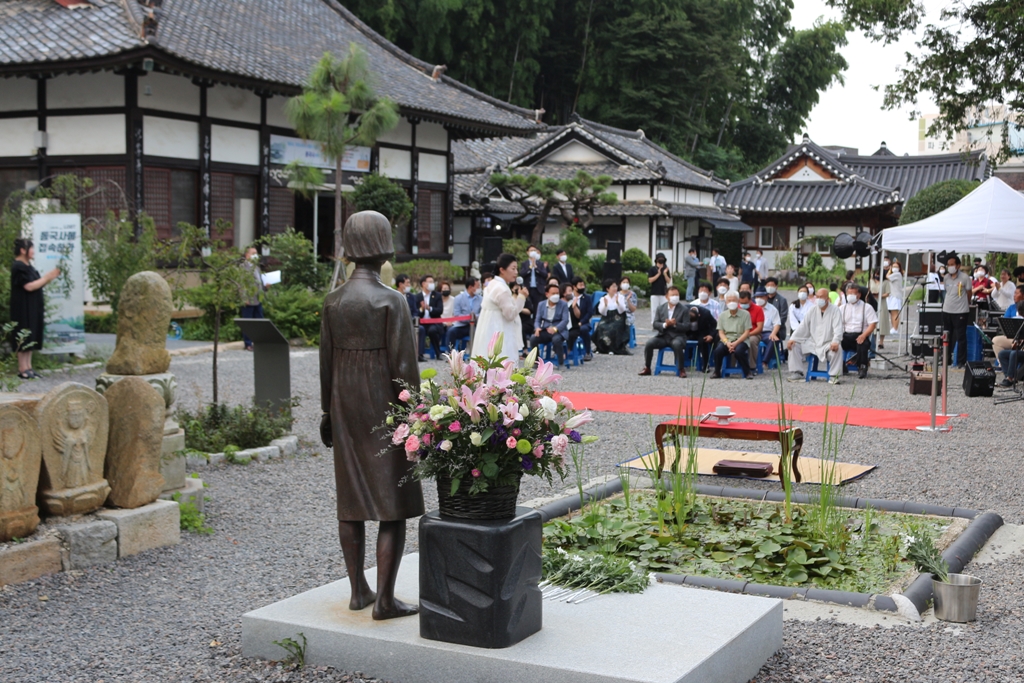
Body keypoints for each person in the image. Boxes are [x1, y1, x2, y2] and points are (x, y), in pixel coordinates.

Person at [319, 210, 423, 621]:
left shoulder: (333, 302)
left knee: (351, 500)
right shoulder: (390, 300)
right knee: (391, 503)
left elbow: (325, 363)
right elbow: (405, 367)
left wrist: (328, 412)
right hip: (383, 407)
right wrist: (413, 415)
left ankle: (357, 590)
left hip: (345, 405)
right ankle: (384, 598)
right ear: (381, 244)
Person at [9, 238, 59, 379]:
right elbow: (29, 286)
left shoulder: (29, 267)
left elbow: (36, 284)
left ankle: (29, 366)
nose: (33, 251)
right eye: (31, 248)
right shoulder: (18, 267)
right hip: (22, 307)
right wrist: (48, 277)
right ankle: (22, 368)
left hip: (32, 306)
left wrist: (48, 278)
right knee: (23, 333)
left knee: (31, 333)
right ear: (23, 250)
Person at [472, 253, 527, 362]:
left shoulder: (492, 283)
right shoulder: (502, 288)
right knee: (501, 360)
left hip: (488, 327)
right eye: (513, 268)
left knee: (486, 359)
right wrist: (522, 297)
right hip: (499, 327)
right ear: (502, 270)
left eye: (517, 269)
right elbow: (510, 315)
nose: (516, 272)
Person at [786, 288, 844, 384]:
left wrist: (835, 341)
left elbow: (838, 328)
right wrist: (793, 338)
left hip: (828, 343)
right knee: (794, 345)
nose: (819, 299)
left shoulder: (835, 310)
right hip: (812, 342)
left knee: (838, 349)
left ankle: (834, 375)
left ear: (827, 298)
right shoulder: (812, 309)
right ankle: (797, 373)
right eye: (818, 296)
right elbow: (803, 326)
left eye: (822, 297)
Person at [639, 286, 692, 378]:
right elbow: (655, 323)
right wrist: (665, 325)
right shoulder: (660, 308)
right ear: (666, 296)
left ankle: (681, 369)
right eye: (672, 295)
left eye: (677, 295)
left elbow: (687, 326)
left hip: (678, 336)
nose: (675, 297)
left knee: (677, 344)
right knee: (649, 343)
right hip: (663, 336)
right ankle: (647, 367)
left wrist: (675, 324)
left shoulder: (684, 309)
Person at [838, 283, 878, 379]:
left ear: (859, 295)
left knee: (863, 343)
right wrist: (839, 335)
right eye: (849, 294)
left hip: (860, 335)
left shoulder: (867, 307)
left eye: (853, 293)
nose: (851, 296)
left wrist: (864, 335)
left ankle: (862, 367)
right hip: (845, 335)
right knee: (836, 342)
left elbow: (873, 324)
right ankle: (840, 365)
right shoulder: (842, 308)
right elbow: (837, 324)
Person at [711, 291, 753, 379]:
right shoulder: (722, 315)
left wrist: (736, 343)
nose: (731, 302)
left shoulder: (745, 314)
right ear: (726, 302)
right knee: (718, 350)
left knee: (739, 351)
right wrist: (727, 343)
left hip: (741, 340)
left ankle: (747, 372)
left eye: (734, 300)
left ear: (738, 301)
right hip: (727, 340)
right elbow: (721, 332)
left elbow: (746, 332)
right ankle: (717, 372)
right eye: (729, 301)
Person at [529, 283, 571, 368]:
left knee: (556, 339)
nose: (556, 295)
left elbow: (565, 320)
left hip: (559, 331)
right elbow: (537, 319)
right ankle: (536, 362)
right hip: (546, 329)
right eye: (553, 293)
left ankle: (560, 362)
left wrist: (556, 328)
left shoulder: (563, 304)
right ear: (547, 294)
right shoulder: (541, 304)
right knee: (533, 338)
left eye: (557, 293)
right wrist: (537, 328)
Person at [943, 254, 973, 368]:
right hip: (947, 310)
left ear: (958, 265)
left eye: (952, 264)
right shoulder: (946, 277)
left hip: (961, 311)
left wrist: (966, 302)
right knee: (947, 335)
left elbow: (969, 293)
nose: (950, 267)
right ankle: (946, 359)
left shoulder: (965, 278)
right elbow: (947, 290)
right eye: (948, 265)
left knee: (960, 336)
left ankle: (961, 361)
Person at [994, 285, 1024, 386]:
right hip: (1015, 338)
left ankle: (1010, 377)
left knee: (1013, 354)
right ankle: (1009, 377)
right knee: (1002, 354)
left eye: (1017, 293)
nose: (1014, 295)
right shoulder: (1012, 307)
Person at [240, 246, 268, 351]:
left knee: (260, 321)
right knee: (248, 322)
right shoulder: (243, 267)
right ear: (247, 255)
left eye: (256, 253)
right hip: (248, 299)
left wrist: (266, 287)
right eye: (253, 253)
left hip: (258, 298)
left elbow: (259, 282)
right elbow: (241, 283)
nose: (255, 255)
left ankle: (259, 342)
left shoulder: (256, 267)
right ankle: (248, 343)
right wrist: (244, 297)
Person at [594, 278, 631, 355]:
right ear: (608, 289)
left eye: (616, 286)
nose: (615, 288)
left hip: (619, 318)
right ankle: (602, 348)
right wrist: (605, 305)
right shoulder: (603, 298)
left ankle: (614, 348)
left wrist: (618, 302)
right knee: (601, 327)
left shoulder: (620, 297)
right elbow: (602, 312)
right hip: (607, 317)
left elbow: (622, 310)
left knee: (614, 327)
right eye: (613, 287)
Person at [446, 277, 481, 349]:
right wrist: (469, 317)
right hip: (461, 325)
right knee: (451, 332)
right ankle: (451, 353)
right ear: (470, 287)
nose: (479, 288)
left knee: (478, 334)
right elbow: (457, 314)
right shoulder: (458, 298)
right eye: (477, 286)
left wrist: (474, 317)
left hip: (475, 325)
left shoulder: (481, 299)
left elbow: (482, 313)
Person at [415, 275, 444, 362]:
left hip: (434, 322)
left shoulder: (437, 295)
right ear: (423, 284)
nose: (432, 284)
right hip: (421, 322)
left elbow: (440, 310)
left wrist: (429, 308)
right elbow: (416, 312)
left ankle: (438, 353)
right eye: (430, 282)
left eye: (432, 282)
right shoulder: (417, 297)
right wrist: (422, 309)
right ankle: (420, 354)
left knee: (432, 330)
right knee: (421, 330)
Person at [754, 289, 782, 366]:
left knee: (773, 340)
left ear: (766, 297)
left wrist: (773, 334)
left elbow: (777, 323)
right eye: (757, 297)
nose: (759, 299)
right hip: (753, 332)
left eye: (761, 297)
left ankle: (764, 361)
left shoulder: (772, 309)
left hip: (766, 332)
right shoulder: (752, 308)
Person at [570, 276, 594, 360]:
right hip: (570, 322)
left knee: (583, 329)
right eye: (580, 285)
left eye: (583, 285)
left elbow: (590, 312)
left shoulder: (587, 298)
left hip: (584, 323)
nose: (582, 287)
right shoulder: (569, 297)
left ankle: (587, 352)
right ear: (574, 286)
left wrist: (582, 322)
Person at [868, 271, 890, 349]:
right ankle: (873, 341)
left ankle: (881, 342)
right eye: (876, 274)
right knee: (873, 321)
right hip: (872, 302)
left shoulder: (886, 282)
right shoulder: (871, 281)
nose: (877, 275)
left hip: (882, 303)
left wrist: (879, 296)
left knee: (882, 322)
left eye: (879, 274)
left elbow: (887, 293)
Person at [648, 253, 672, 324]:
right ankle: (654, 323)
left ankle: (664, 323)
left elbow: (668, 281)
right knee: (654, 309)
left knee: (664, 309)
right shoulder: (652, 269)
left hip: (663, 293)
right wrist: (658, 274)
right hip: (654, 292)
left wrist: (664, 274)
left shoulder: (666, 269)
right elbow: (650, 280)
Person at [514, 281, 534, 355]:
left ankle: (524, 349)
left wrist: (518, 308)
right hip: (514, 322)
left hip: (525, 322)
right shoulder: (510, 298)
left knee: (521, 328)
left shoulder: (525, 299)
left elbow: (530, 311)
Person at [888, 259, 905, 334]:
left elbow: (887, 276)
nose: (894, 268)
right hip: (892, 295)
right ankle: (893, 327)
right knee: (892, 312)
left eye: (896, 266)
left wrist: (889, 270)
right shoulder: (895, 274)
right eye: (893, 266)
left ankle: (895, 328)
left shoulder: (897, 274)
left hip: (896, 296)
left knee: (895, 313)